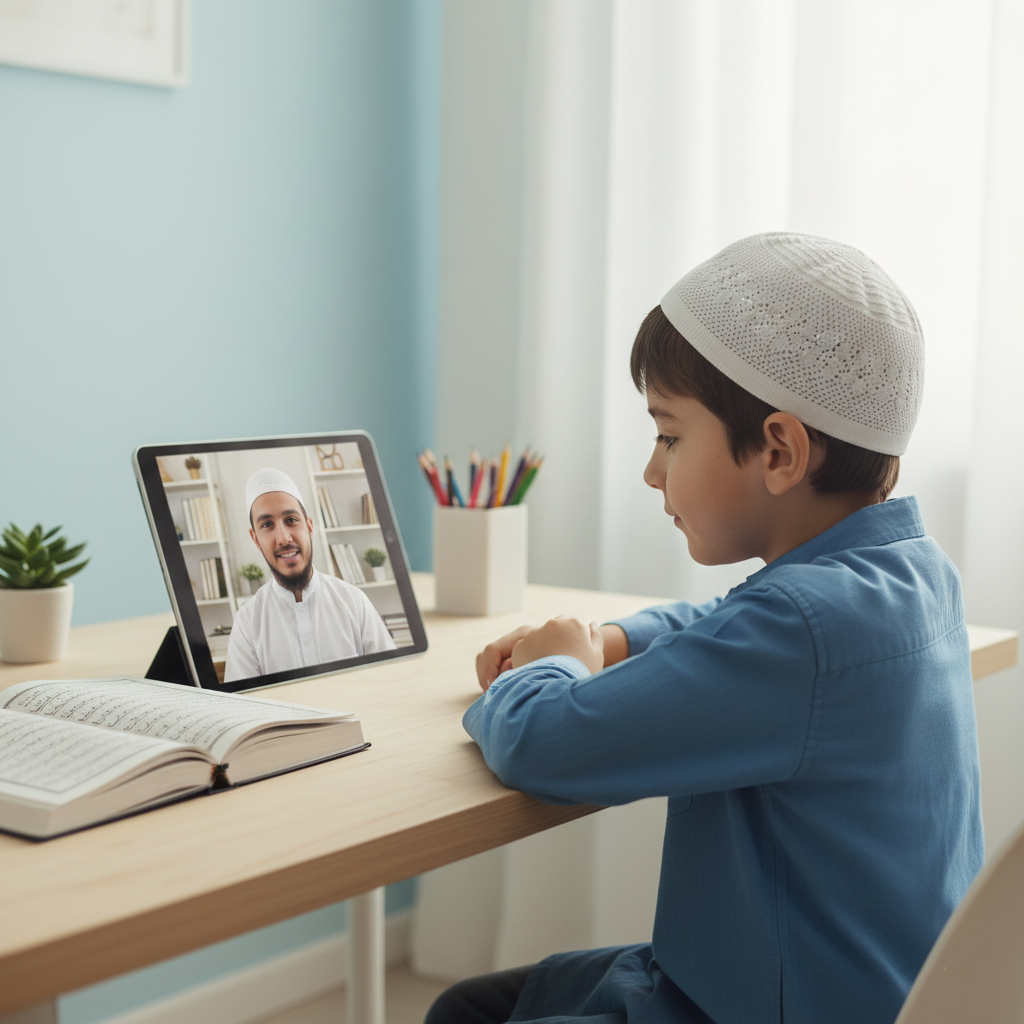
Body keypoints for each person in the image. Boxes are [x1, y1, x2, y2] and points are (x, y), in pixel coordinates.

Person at [427, 233, 983, 1024]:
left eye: (669, 435)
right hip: (852, 988)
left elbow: (542, 743)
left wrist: (542, 671)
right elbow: (724, 626)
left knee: (468, 1015)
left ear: (780, 450)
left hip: (764, 1004)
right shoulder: (910, 576)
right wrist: (611, 643)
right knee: (471, 1006)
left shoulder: (801, 626)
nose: (652, 471)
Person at [224, 468, 394, 682]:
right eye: (267, 525)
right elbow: (245, 709)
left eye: (291, 520)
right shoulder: (247, 622)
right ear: (256, 540)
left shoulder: (354, 601)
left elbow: (391, 679)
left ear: (310, 527)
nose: (283, 538)